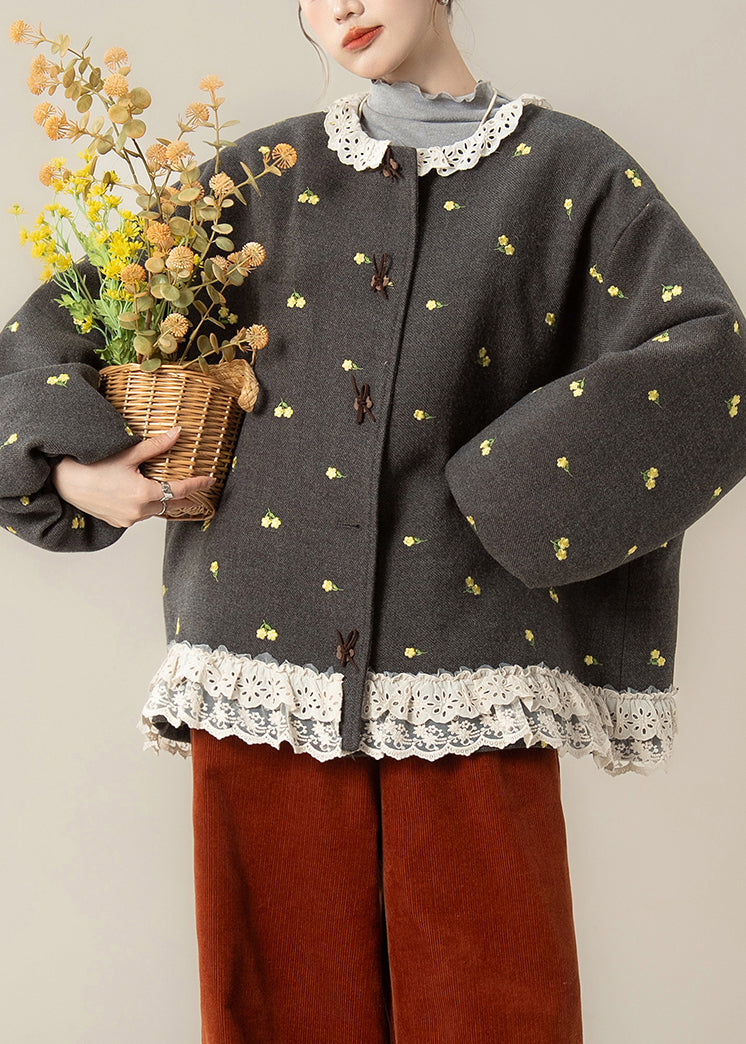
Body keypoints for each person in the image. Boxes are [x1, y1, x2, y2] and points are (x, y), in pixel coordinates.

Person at [1, 1, 745, 1040]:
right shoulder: (254, 181)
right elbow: (46, 337)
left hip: (470, 666)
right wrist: (74, 474)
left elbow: (711, 362)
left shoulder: (568, 173)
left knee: (496, 1013)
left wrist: (506, 497)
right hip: (260, 667)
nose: (341, 5)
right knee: (274, 1012)